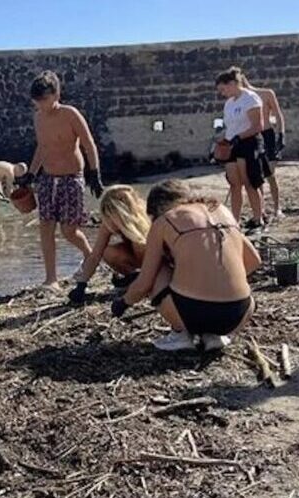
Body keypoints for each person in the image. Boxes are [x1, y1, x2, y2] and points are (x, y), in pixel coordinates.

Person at [111, 179, 260, 352]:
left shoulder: (165, 221)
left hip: (192, 314)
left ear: (158, 209)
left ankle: (180, 335)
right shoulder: (221, 210)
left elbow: (145, 282)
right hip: (238, 314)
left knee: (160, 268)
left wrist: (122, 303)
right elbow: (254, 261)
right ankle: (214, 336)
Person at [18, 70, 104, 290]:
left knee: (69, 230)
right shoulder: (38, 118)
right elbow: (42, 147)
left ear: (56, 94)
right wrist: (31, 174)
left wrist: (95, 173)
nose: (41, 106)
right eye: (37, 102)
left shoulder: (70, 114)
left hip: (71, 177)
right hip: (47, 178)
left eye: (45, 100)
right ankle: (51, 279)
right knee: (45, 227)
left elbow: (88, 144)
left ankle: (91, 257)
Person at [67, 185, 151, 304]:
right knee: (108, 252)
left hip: (157, 260)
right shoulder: (108, 223)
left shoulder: (148, 215)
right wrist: (82, 284)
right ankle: (133, 277)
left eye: (112, 215)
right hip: (139, 260)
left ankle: (146, 279)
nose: (109, 221)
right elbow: (95, 255)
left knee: (139, 244)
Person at [215, 67, 271, 232]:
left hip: (248, 143)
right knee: (234, 184)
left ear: (232, 83)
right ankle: (234, 220)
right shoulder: (229, 104)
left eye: (223, 89)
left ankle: (257, 218)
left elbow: (258, 126)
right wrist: (223, 142)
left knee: (249, 183)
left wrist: (239, 137)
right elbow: (230, 127)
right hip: (233, 144)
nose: (222, 93)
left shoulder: (250, 98)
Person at [242, 74, 285, 219]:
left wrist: (281, 134)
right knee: (257, 175)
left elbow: (278, 115)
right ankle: (261, 210)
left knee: (271, 175)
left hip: (268, 135)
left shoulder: (266, 93)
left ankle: (277, 208)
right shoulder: (240, 100)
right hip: (254, 137)